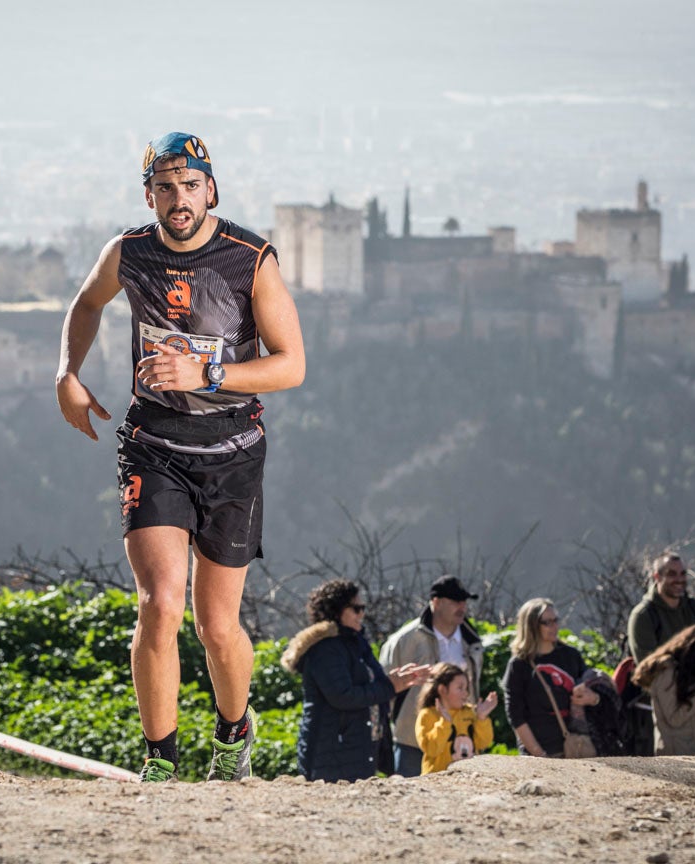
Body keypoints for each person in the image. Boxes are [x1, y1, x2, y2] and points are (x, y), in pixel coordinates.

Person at [55, 132, 305, 782]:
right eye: (165, 188)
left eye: (190, 186)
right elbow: (86, 303)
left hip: (232, 452)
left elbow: (291, 365)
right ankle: (160, 762)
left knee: (216, 627)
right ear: (150, 196)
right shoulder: (128, 251)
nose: (179, 199)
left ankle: (233, 732)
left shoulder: (250, 258)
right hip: (153, 446)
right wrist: (67, 373)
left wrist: (208, 374)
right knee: (160, 604)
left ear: (210, 190)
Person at [281, 580, 429, 782]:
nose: (362, 614)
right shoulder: (325, 649)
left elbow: (372, 687)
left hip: (357, 749)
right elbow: (343, 696)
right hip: (332, 753)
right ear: (336, 610)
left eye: (363, 608)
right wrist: (390, 686)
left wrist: (398, 680)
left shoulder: (356, 642)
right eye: (356, 608)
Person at [625, 553, 695, 755]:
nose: (679, 579)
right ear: (657, 576)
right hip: (660, 708)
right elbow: (650, 666)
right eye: (672, 574)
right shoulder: (643, 616)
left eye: (683, 573)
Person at [379, 576, 485, 776]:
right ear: (436, 602)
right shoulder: (403, 640)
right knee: (409, 793)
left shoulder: (472, 641)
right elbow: (384, 689)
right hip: (413, 741)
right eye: (455, 601)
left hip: (461, 741)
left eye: (464, 601)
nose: (462, 607)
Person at [500, 597, 599, 758]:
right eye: (547, 622)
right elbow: (515, 715)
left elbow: (594, 689)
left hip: (575, 748)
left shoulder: (571, 655)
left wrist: (593, 698)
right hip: (540, 753)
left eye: (555, 620)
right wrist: (539, 754)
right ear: (532, 626)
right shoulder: (519, 665)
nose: (554, 626)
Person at [632, 623, 695, 756]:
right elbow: (674, 719)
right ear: (692, 652)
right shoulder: (667, 671)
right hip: (676, 754)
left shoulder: (690, 671)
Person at [415, 662, 498, 774]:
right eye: (460, 688)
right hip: (437, 779)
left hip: (467, 778)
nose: (466, 693)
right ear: (443, 690)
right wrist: (444, 723)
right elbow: (432, 749)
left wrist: (481, 717)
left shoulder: (469, 712)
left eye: (466, 688)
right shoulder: (427, 715)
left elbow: (483, 743)